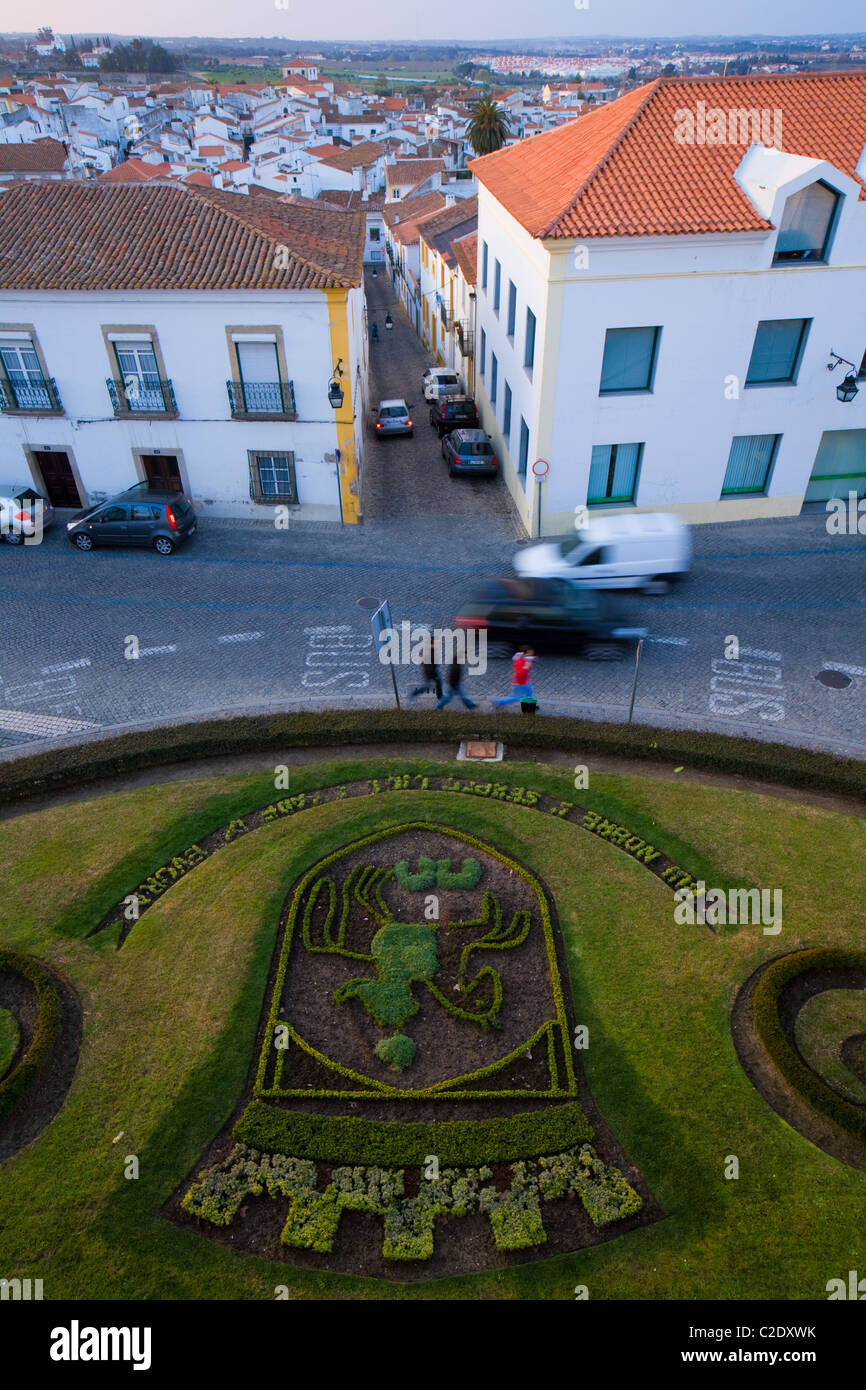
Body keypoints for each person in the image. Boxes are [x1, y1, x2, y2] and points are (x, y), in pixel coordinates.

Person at [410, 628, 442, 700]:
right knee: (428, 686)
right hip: (430, 673)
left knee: (438, 684)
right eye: (436, 643)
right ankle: (412, 694)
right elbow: (426, 664)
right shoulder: (429, 652)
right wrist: (434, 674)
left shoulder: (431, 650)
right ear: (432, 643)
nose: (438, 644)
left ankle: (440, 700)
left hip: (432, 672)